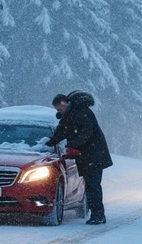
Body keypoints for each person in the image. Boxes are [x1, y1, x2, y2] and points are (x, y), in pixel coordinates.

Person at [45, 90, 113, 225]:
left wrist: (72, 145)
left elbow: (86, 133)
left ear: (65, 103)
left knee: (93, 186)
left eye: (60, 108)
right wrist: (50, 142)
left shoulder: (83, 112)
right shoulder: (70, 114)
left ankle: (98, 215)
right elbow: (61, 131)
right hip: (88, 156)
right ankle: (97, 214)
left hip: (94, 155)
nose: (60, 111)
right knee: (90, 186)